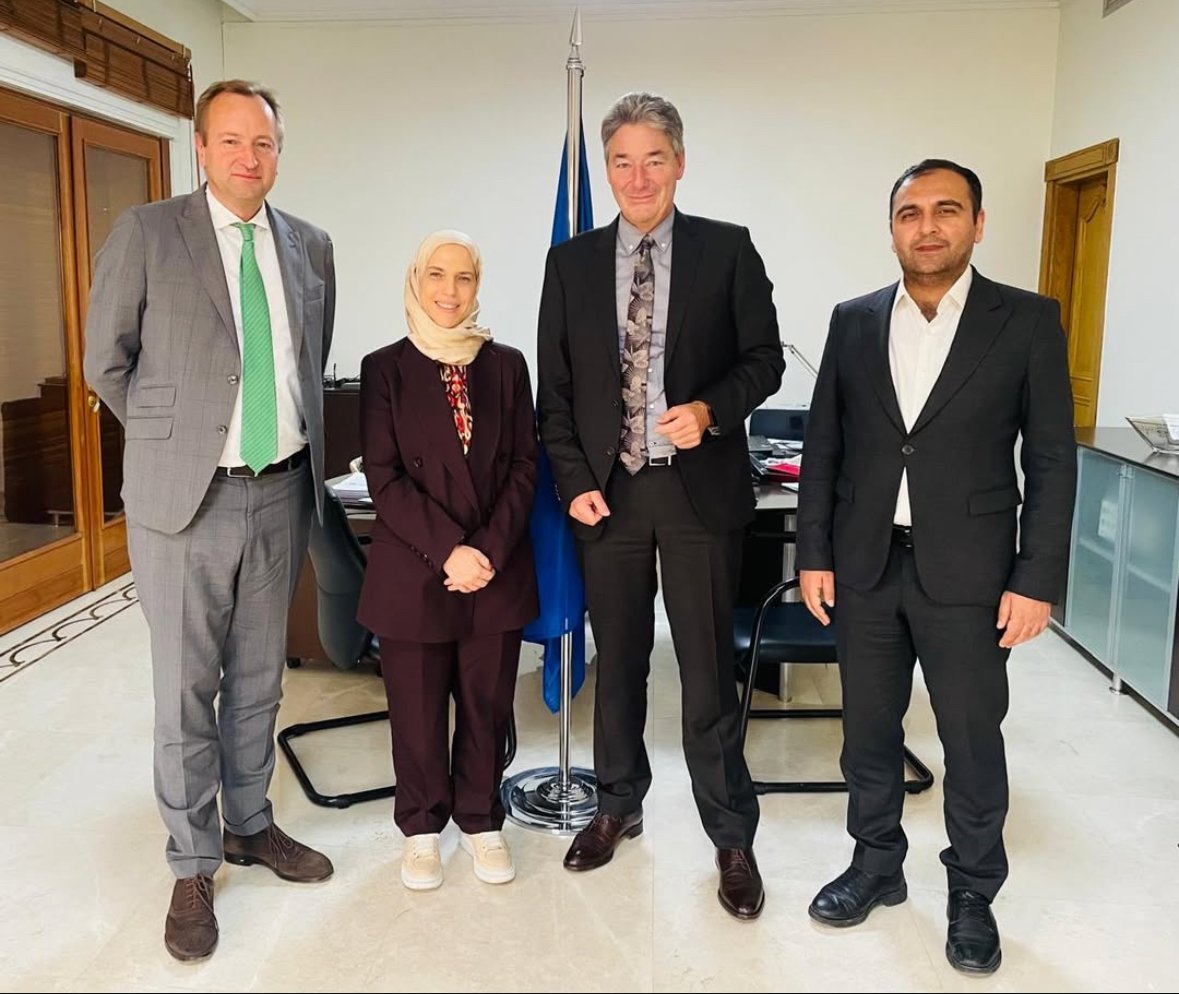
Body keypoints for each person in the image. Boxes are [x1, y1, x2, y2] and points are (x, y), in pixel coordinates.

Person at [797, 159, 1076, 975]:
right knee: (867, 733)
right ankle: (875, 864)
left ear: (976, 224)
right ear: (891, 228)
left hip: (973, 575)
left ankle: (972, 891)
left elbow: (1050, 460)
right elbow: (823, 445)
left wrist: (1035, 578)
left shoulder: (1026, 321)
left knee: (969, 740)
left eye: (945, 210)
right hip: (865, 565)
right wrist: (813, 553)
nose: (926, 227)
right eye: (909, 212)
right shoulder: (853, 320)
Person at [84, 79, 337, 962]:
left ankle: (250, 823)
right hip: (183, 501)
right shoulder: (149, 233)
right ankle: (192, 862)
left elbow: (308, 362)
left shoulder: (311, 246)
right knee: (186, 688)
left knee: (260, 679)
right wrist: (175, 442)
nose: (246, 157)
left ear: (279, 152)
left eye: (262, 143)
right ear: (200, 147)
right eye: (229, 140)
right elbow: (105, 361)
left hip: (282, 491)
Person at [536, 92, 784, 921]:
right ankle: (617, 804)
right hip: (607, 495)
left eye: (653, 159)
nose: (637, 177)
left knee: (706, 670)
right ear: (606, 169)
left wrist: (710, 410)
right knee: (618, 664)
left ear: (679, 162)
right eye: (621, 161)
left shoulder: (726, 249)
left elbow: (764, 359)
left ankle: (730, 834)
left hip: (696, 490)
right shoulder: (570, 263)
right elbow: (555, 391)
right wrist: (574, 481)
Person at [358, 230, 538, 892]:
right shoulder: (384, 368)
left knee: (487, 707)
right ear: (416, 279)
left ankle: (482, 820)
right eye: (436, 274)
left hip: (494, 567)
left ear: (477, 285)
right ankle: (421, 829)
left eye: (464, 277)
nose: (449, 290)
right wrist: (450, 550)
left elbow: (524, 467)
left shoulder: (507, 366)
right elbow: (383, 477)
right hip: (416, 569)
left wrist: (483, 551)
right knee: (416, 711)